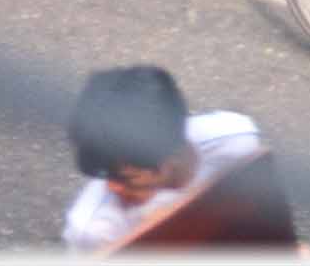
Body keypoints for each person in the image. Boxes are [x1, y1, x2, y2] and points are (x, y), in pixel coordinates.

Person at [62, 65, 262, 251]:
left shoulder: (236, 143)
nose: (111, 187)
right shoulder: (93, 230)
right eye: (104, 171)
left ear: (170, 159)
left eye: (126, 178)